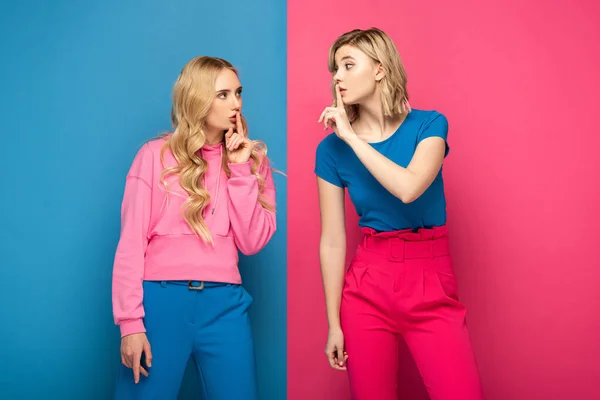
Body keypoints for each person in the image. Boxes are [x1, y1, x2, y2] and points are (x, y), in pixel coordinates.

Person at [315, 28, 484, 400]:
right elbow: (331, 240)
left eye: (347, 65)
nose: (337, 77)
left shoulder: (429, 125)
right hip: (366, 287)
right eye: (334, 69)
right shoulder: (329, 150)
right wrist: (333, 324)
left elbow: (409, 188)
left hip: (430, 279)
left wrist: (353, 138)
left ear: (379, 69)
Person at [112, 56, 276, 399]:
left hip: (225, 306)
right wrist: (130, 323)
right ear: (197, 98)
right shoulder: (154, 155)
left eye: (238, 93)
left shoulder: (254, 161)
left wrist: (242, 170)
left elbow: (252, 242)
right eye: (223, 94)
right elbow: (130, 243)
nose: (237, 103)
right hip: (160, 303)